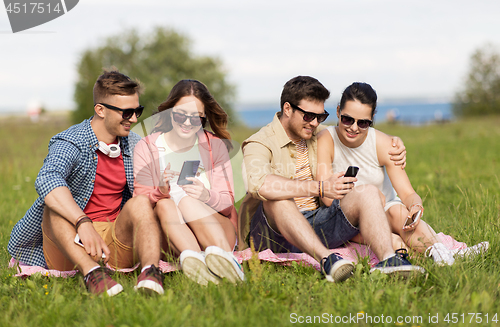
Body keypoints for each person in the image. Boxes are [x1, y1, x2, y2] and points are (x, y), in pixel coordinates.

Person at [240, 75, 424, 283]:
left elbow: (357, 131)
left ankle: (389, 261)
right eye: (309, 116)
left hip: (318, 220)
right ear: (288, 109)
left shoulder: (315, 133)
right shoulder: (259, 143)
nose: (315, 123)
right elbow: (259, 184)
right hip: (273, 233)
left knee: (369, 192)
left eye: (321, 116)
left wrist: (394, 143)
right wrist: (319, 188)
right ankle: (327, 260)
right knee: (278, 199)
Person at [8, 70, 165, 296]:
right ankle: (93, 275)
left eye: (137, 110)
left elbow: (149, 192)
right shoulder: (71, 140)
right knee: (53, 206)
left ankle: (151, 273)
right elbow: (47, 178)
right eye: (127, 112)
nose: (134, 119)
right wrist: (82, 222)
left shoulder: (136, 143)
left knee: (140, 203)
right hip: (70, 241)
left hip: (115, 237)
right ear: (100, 110)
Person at [316, 82, 489, 265]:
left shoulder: (383, 143)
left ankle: (444, 254)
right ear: (338, 111)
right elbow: (326, 199)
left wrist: (415, 206)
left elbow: (407, 193)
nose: (354, 128)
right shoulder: (326, 140)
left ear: (372, 118)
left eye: (364, 123)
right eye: (347, 119)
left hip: (388, 210)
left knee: (399, 213)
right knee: (386, 227)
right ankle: (443, 255)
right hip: (349, 217)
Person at [133, 79, 243, 286]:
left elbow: (228, 204)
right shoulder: (147, 147)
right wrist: (159, 192)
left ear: (204, 118)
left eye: (195, 119)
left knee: (186, 200)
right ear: (169, 112)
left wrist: (205, 195)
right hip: (171, 236)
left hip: (217, 232)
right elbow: (138, 203)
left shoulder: (214, 146)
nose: (186, 123)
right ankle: (199, 264)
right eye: (180, 115)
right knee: (165, 203)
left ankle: (226, 261)